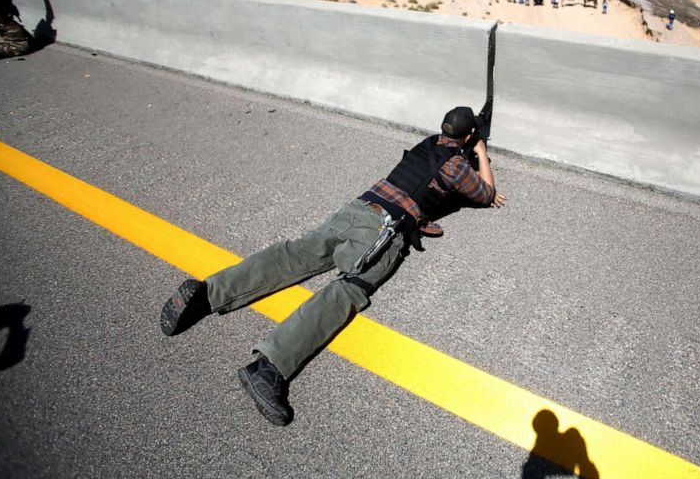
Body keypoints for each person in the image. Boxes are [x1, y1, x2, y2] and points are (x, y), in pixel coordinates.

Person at [160, 107, 507, 426]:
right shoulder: (457, 165)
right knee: (345, 292)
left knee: (295, 254)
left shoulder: (428, 143)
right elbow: (486, 194)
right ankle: (269, 366)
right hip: (384, 230)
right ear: (467, 136)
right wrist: (480, 153)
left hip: (359, 207)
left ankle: (207, 293)